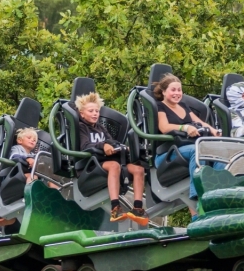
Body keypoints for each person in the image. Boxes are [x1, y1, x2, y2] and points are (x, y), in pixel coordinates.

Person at [75, 92, 148, 226]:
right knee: (114, 165)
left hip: (110, 160)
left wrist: (124, 148)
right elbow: (85, 146)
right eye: (91, 111)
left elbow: (111, 141)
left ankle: (137, 208)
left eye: (97, 111)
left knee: (138, 169)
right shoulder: (81, 128)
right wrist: (103, 146)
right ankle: (115, 208)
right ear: (82, 114)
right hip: (92, 165)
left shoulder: (101, 128)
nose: (95, 113)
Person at [153, 74, 222, 211]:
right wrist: (185, 127)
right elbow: (164, 127)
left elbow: (199, 122)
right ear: (164, 92)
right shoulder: (160, 107)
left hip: (187, 148)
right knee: (197, 151)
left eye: (179, 90)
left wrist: (214, 131)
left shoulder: (184, 106)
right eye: (173, 90)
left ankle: (219, 191)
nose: (177, 93)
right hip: (168, 153)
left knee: (218, 152)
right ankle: (198, 195)